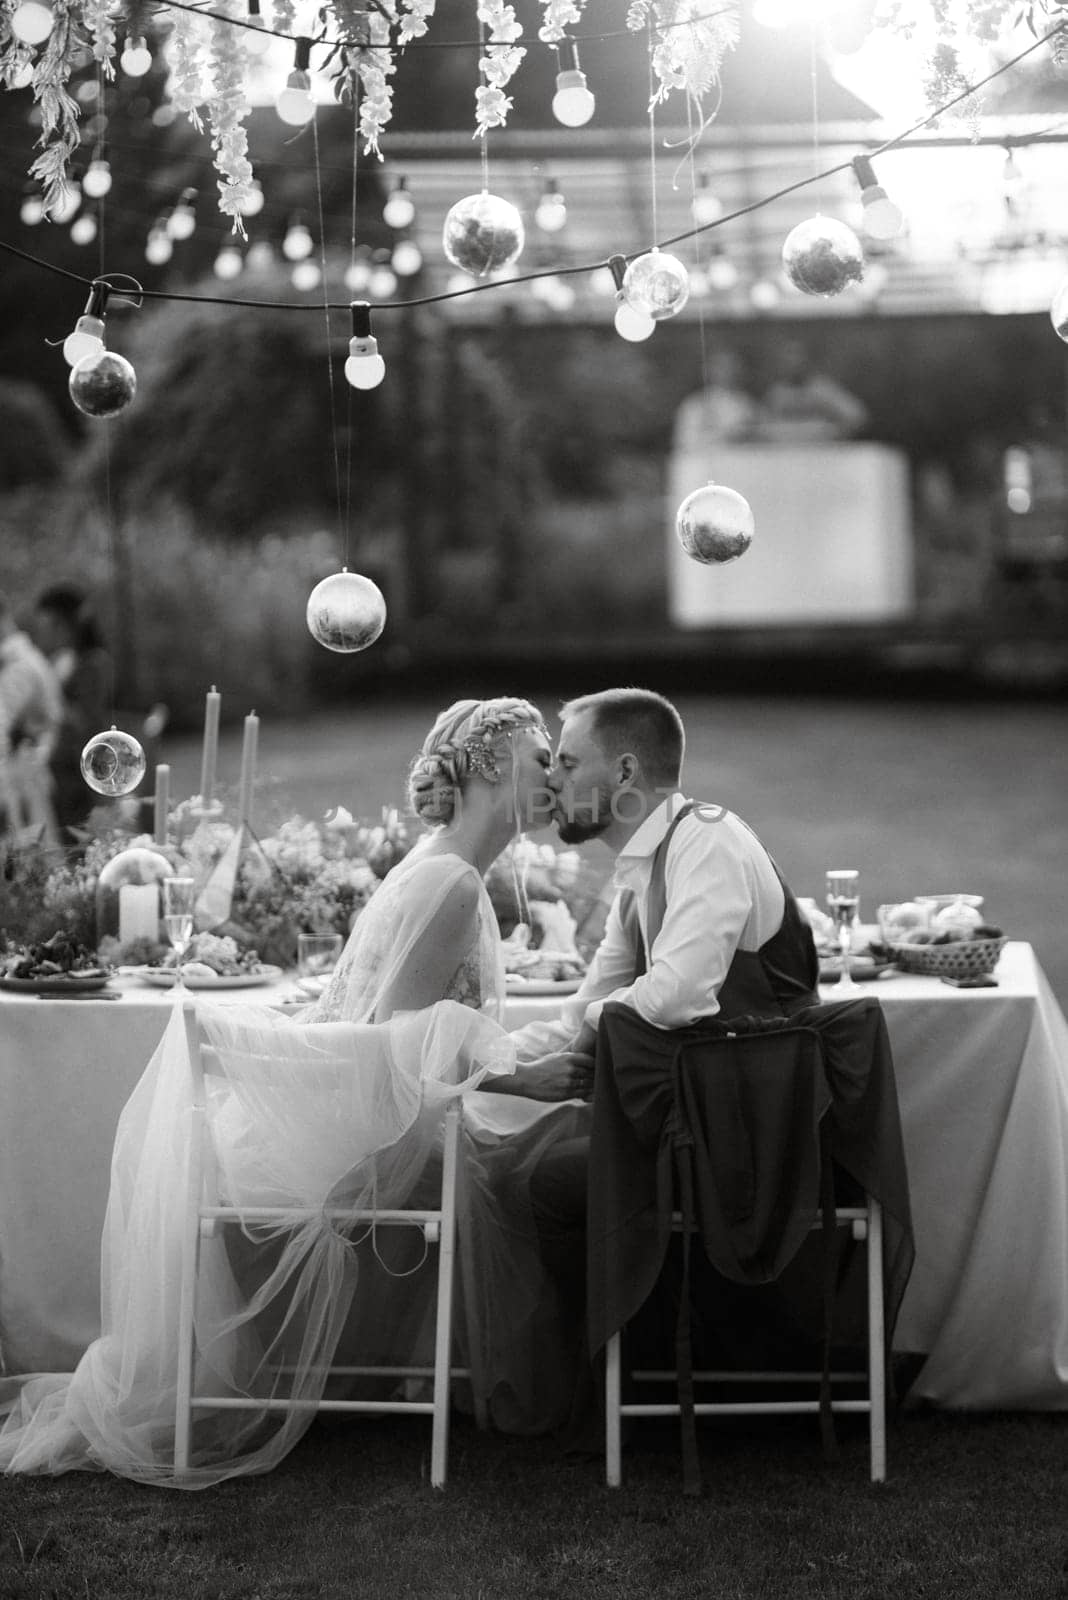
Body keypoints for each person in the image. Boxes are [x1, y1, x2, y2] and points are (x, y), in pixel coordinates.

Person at [0, 697, 593, 1488]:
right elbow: (395, 1048)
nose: (554, 771)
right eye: (539, 754)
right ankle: (595, 1386)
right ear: (488, 768)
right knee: (550, 1153)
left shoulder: (444, 867)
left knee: (541, 1134)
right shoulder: (451, 884)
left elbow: (401, 1039)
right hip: (359, 1140)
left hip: (345, 1114)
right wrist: (523, 1077)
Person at [509, 688, 820, 1430]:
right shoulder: (639, 877)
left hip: (757, 1132)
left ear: (623, 773)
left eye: (569, 760)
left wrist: (590, 1028)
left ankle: (618, 1392)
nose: (552, 776)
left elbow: (679, 993)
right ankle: (634, 1381)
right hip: (701, 1121)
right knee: (546, 1168)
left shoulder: (706, 838)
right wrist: (482, 1057)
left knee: (553, 1180)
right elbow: (587, 1002)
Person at [30, 584, 111, 838]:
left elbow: (87, 722)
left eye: (47, 626)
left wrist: (50, 705)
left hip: (76, 777)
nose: (41, 634)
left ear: (64, 625)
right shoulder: (55, 663)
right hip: (52, 770)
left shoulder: (93, 664)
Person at [0, 590, 63, 846]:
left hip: (20, 786)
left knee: (28, 869)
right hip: (26, 779)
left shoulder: (18, 667)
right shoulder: (27, 658)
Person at [758, 337, 868, 443]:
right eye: (787, 357)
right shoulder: (776, 393)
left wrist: (833, 434)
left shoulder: (824, 390)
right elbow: (762, 425)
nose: (792, 362)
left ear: (807, 359)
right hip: (786, 454)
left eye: (796, 355)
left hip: (822, 453)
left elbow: (857, 417)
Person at [671, 348, 761, 452]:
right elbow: (685, 442)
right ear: (709, 370)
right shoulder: (695, 405)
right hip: (706, 462)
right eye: (721, 367)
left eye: (732, 367)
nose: (728, 372)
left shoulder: (748, 404)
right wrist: (727, 438)